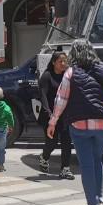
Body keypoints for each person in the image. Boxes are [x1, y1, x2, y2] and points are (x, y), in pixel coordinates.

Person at [48, 39, 103, 205]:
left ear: (73, 53)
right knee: (96, 160)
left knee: (86, 164)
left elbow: (61, 100)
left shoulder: (70, 73)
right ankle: (99, 201)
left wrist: (53, 122)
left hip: (80, 125)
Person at [38, 51, 75, 180]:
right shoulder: (46, 77)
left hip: (65, 115)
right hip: (50, 115)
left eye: (65, 61)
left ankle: (65, 169)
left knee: (66, 142)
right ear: (53, 62)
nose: (64, 64)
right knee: (52, 142)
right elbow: (43, 97)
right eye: (60, 61)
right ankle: (44, 157)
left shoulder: (68, 75)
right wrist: (49, 114)